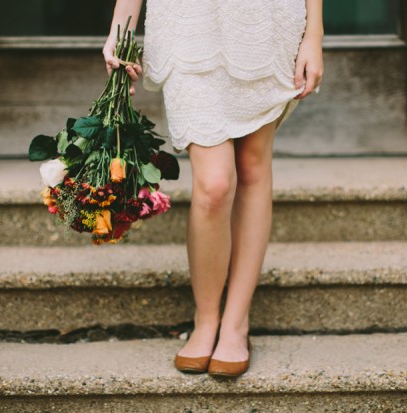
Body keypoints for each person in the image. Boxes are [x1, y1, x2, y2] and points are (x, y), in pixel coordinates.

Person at [103, 0, 323, 377]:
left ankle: (236, 322)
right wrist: (119, 29)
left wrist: (314, 34)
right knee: (215, 185)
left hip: (267, 24)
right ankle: (206, 320)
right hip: (188, 25)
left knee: (252, 169)